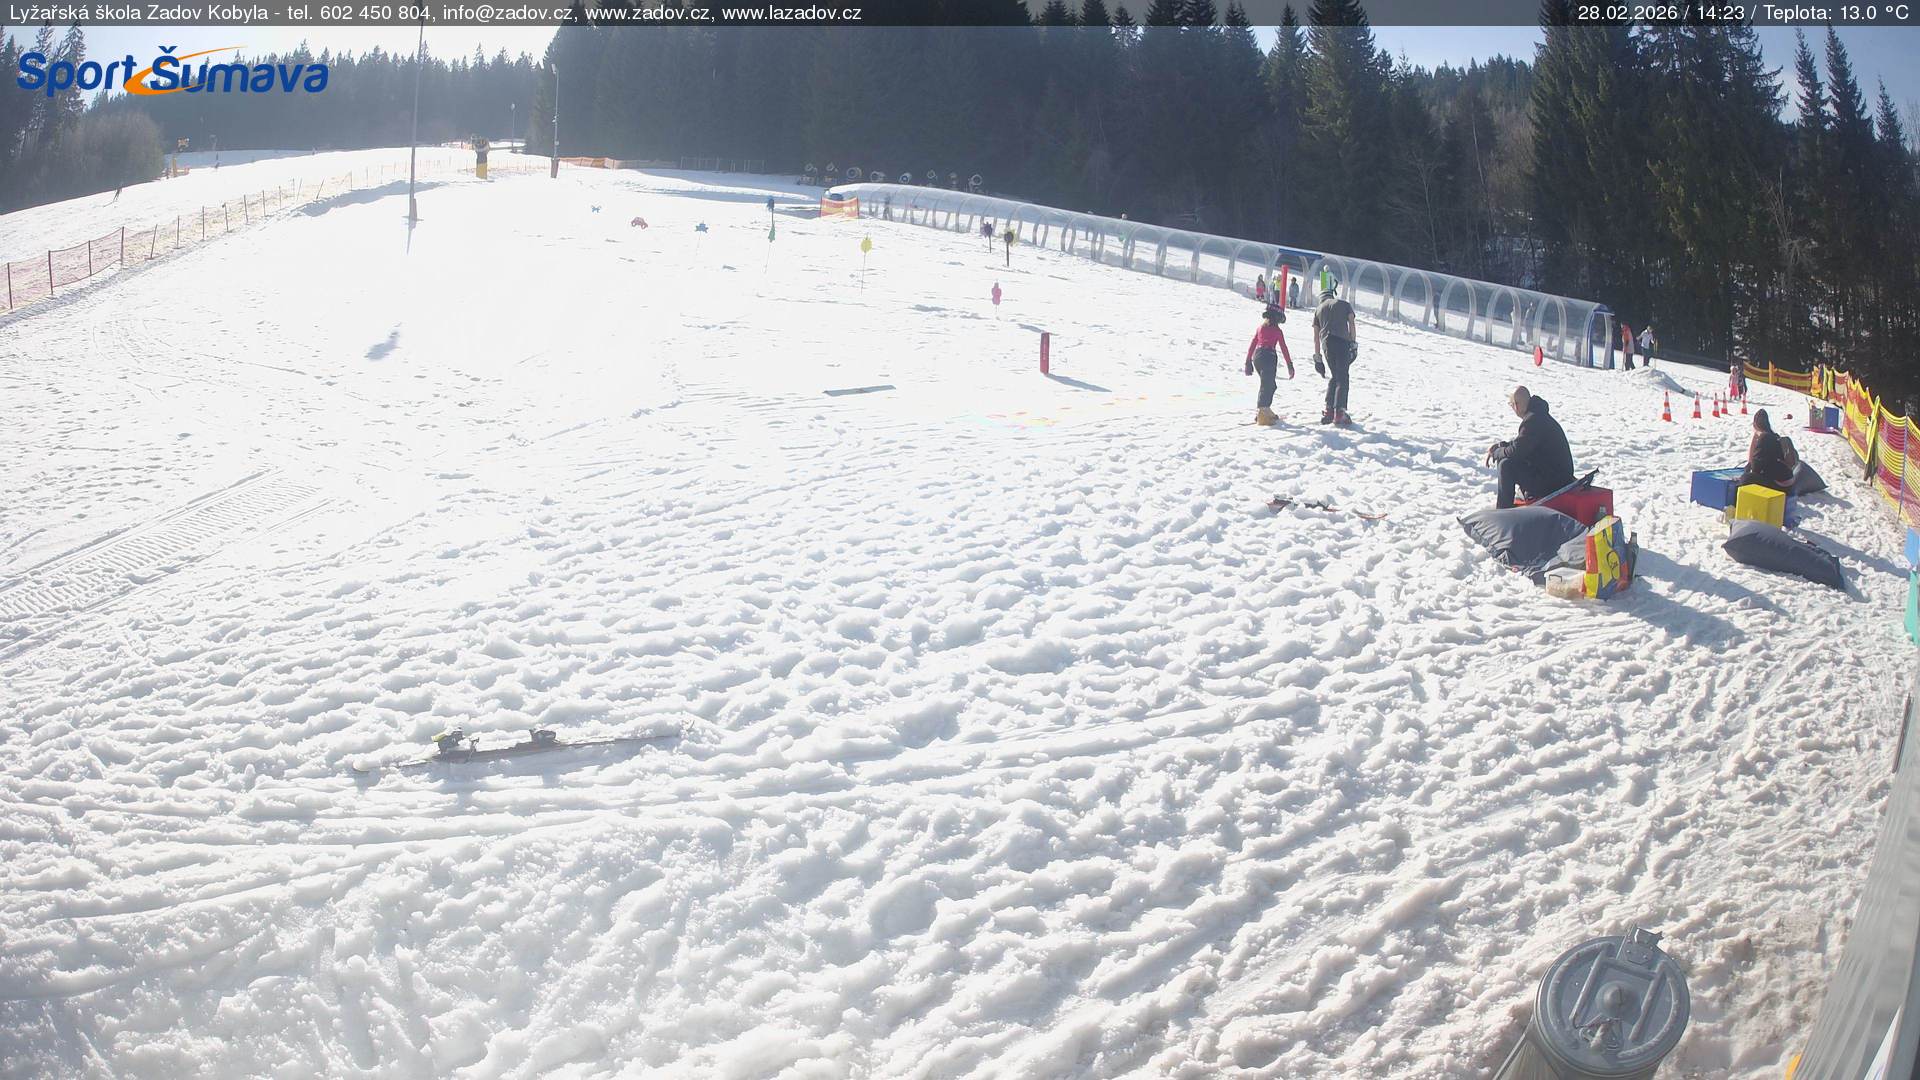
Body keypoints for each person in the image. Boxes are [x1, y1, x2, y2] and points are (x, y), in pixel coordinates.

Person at [1485, 385, 1575, 509]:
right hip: (1558, 475)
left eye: (1511, 405)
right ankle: (1526, 495)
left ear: (1516, 405)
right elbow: (1523, 444)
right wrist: (1501, 446)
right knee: (1509, 459)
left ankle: (1503, 511)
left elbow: (1516, 451)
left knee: (1506, 465)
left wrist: (1497, 453)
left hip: (1556, 482)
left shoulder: (1533, 420)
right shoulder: (1538, 416)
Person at [1311, 285, 1357, 426]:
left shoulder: (1318, 310)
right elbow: (1351, 323)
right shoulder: (1344, 304)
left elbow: (1316, 337)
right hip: (1342, 341)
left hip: (1327, 344)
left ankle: (1329, 410)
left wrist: (1318, 358)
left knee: (1335, 375)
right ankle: (1339, 412)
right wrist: (1353, 343)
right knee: (1343, 377)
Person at [1244, 305, 1295, 426]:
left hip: (1258, 356)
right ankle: (1262, 411)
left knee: (1269, 385)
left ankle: (1265, 409)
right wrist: (1289, 365)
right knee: (1267, 385)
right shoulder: (1277, 331)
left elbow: (1253, 343)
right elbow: (1284, 348)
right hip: (1269, 356)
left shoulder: (1260, 328)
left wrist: (1248, 361)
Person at [1740, 409, 1795, 492]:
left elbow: (1754, 467)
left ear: (1755, 425)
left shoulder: (1764, 438)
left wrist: (1755, 438)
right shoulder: (1774, 436)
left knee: (1746, 479)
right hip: (1789, 480)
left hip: (1781, 484)